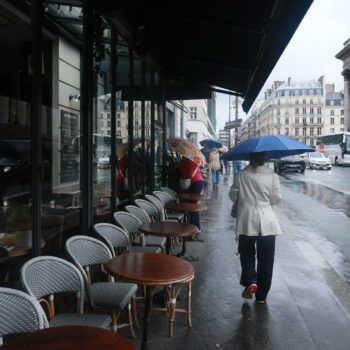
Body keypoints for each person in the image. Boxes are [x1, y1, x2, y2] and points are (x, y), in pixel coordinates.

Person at [229, 152, 282, 304]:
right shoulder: (272, 175)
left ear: (249, 158)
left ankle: (251, 280)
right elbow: (276, 199)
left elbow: (233, 195)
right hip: (268, 221)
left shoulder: (241, 174)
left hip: (247, 220)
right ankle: (262, 296)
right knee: (266, 259)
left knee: (246, 252)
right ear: (265, 159)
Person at [178, 156, 204, 234]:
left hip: (195, 183)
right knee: (191, 206)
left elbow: (188, 174)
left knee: (192, 206)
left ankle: (196, 227)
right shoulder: (186, 161)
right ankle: (192, 226)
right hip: (194, 183)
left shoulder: (190, 161)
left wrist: (180, 168)